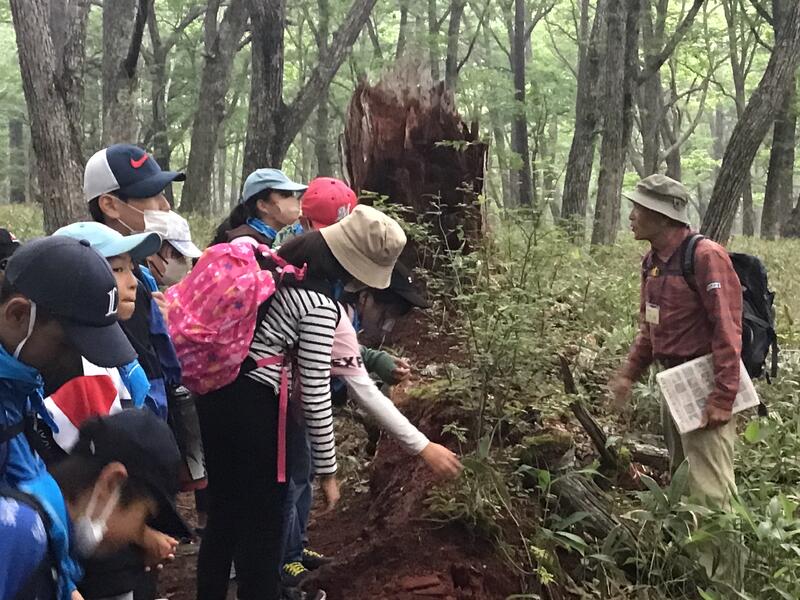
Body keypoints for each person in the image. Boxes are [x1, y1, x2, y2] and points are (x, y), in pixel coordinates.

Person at [196, 205, 407, 600]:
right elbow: (315, 393)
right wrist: (328, 471)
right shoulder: (319, 304)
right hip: (258, 408)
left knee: (224, 515)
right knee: (264, 529)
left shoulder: (279, 266)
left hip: (217, 390)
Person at [0, 235, 139, 600]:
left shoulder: (19, 389)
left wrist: (63, 583)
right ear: (18, 315)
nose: (76, 360)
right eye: (67, 344)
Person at [609, 174, 742, 508]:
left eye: (639, 209)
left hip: (705, 382)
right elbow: (650, 329)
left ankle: (718, 545)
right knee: (681, 478)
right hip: (673, 383)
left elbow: (727, 329)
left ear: (663, 216)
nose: (631, 216)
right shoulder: (651, 263)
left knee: (711, 489)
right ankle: (688, 542)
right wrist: (629, 374)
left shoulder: (705, 256)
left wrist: (723, 397)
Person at [2, 409, 185, 600]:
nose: (141, 535)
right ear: (112, 482)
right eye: (145, 519)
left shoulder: (52, 546)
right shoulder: (21, 534)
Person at [210, 168, 307, 247]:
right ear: (262, 206)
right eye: (285, 195)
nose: (294, 200)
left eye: (292, 195)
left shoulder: (277, 239)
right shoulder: (245, 244)